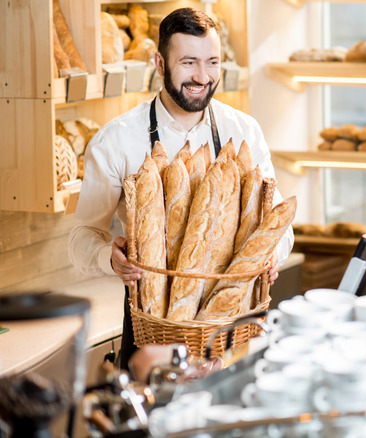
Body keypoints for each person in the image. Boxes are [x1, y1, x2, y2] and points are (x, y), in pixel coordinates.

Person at [68, 7, 294, 370]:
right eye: (189, 62)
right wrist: (109, 257)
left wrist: (272, 255)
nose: (202, 76)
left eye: (212, 62)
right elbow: (80, 239)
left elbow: (280, 225)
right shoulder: (117, 139)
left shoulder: (244, 131)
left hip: (231, 324)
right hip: (153, 326)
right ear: (159, 63)